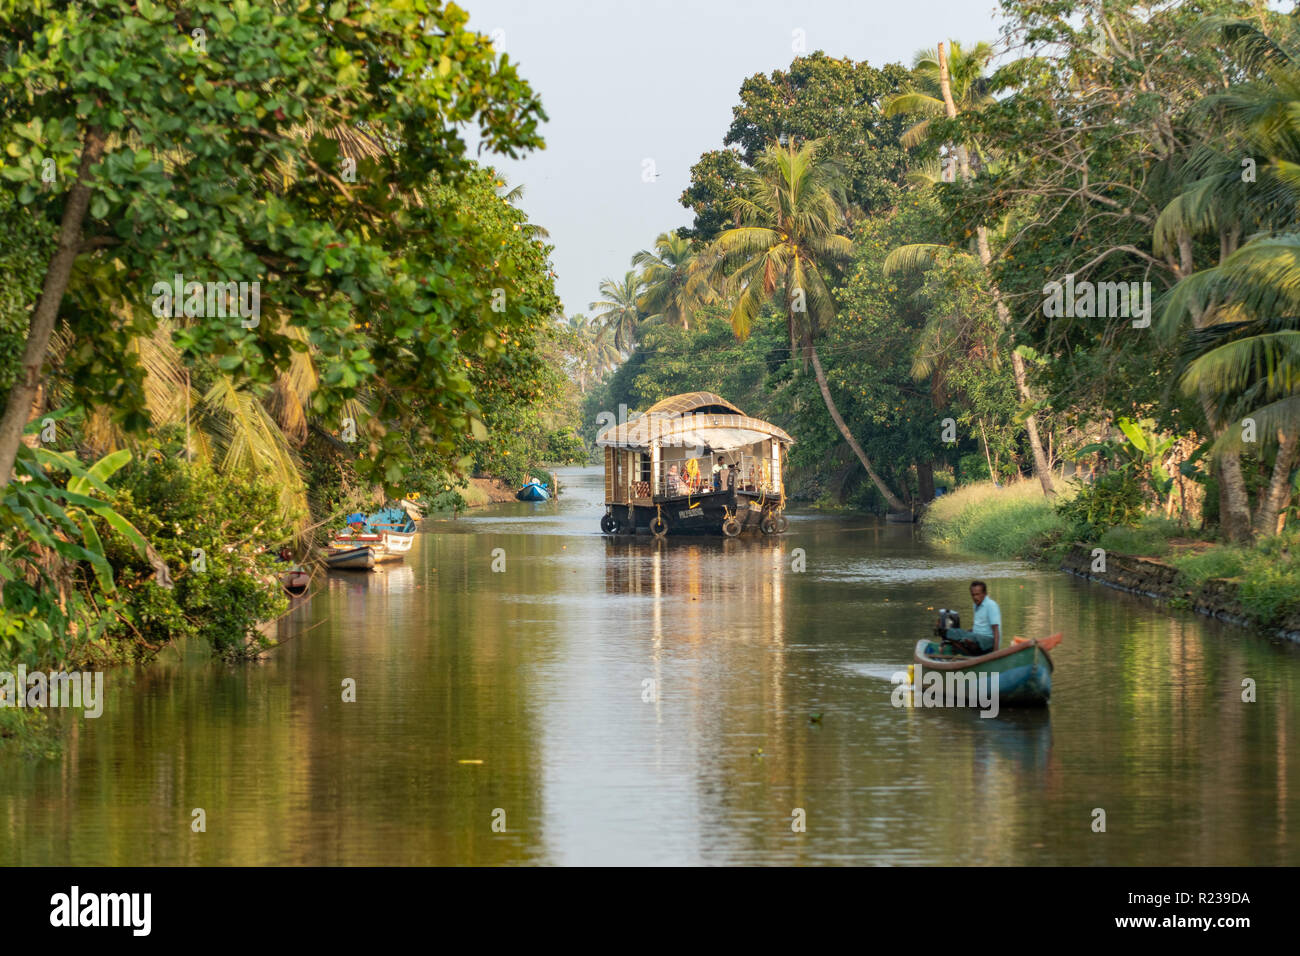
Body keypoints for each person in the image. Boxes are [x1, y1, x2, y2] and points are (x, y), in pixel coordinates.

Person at [942, 580, 1002, 655]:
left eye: (977, 594)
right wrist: (965, 632)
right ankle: (967, 653)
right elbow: (979, 626)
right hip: (975, 636)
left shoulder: (991, 605)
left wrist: (996, 653)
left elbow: (996, 631)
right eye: (973, 595)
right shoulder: (975, 605)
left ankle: (968, 650)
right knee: (949, 631)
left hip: (987, 641)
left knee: (968, 638)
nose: (975, 597)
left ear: (984, 594)